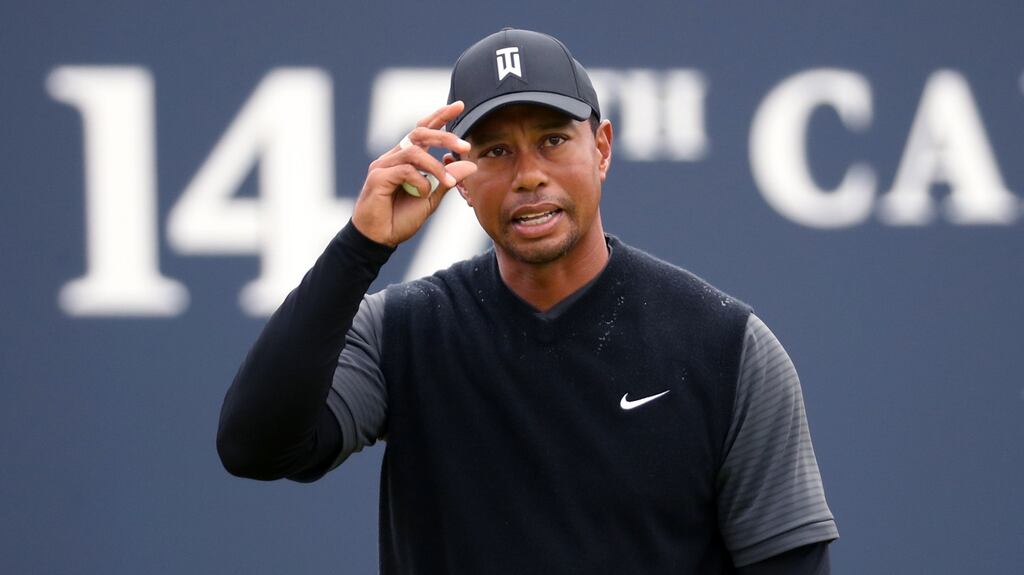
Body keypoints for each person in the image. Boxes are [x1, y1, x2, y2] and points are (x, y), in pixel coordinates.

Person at [217, 28, 838, 574]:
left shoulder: (727, 347)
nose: (528, 174)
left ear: (602, 147)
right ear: (457, 178)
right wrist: (360, 247)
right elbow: (256, 446)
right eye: (493, 151)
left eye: (552, 141)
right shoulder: (402, 332)